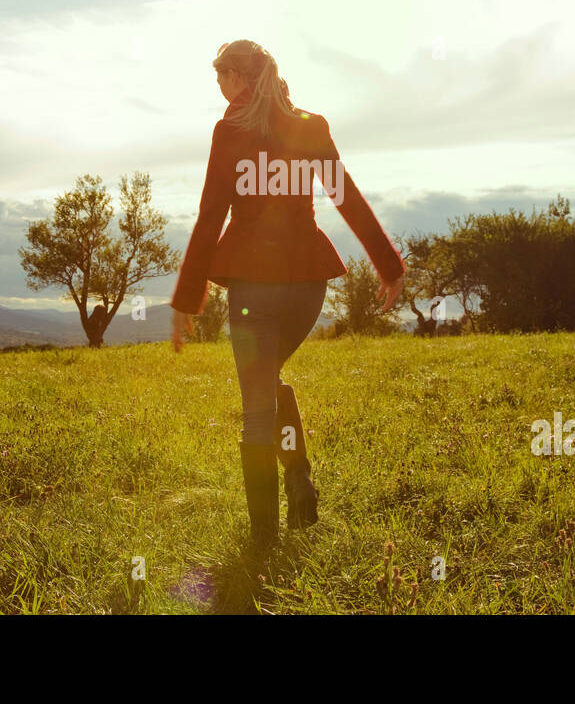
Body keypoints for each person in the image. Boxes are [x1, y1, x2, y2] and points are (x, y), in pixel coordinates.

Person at [170, 39, 405, 549]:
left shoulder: (229, 131)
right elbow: (345, 195)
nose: (218, 87)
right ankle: (298, 482)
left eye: (220, 76)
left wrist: (187, 300)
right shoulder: (310, 126)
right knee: (268, 384)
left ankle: (263, 544)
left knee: (258, 409)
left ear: (237, 78)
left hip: (254, 289)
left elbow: (211, 212)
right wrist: (388, 266)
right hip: (307, 288)